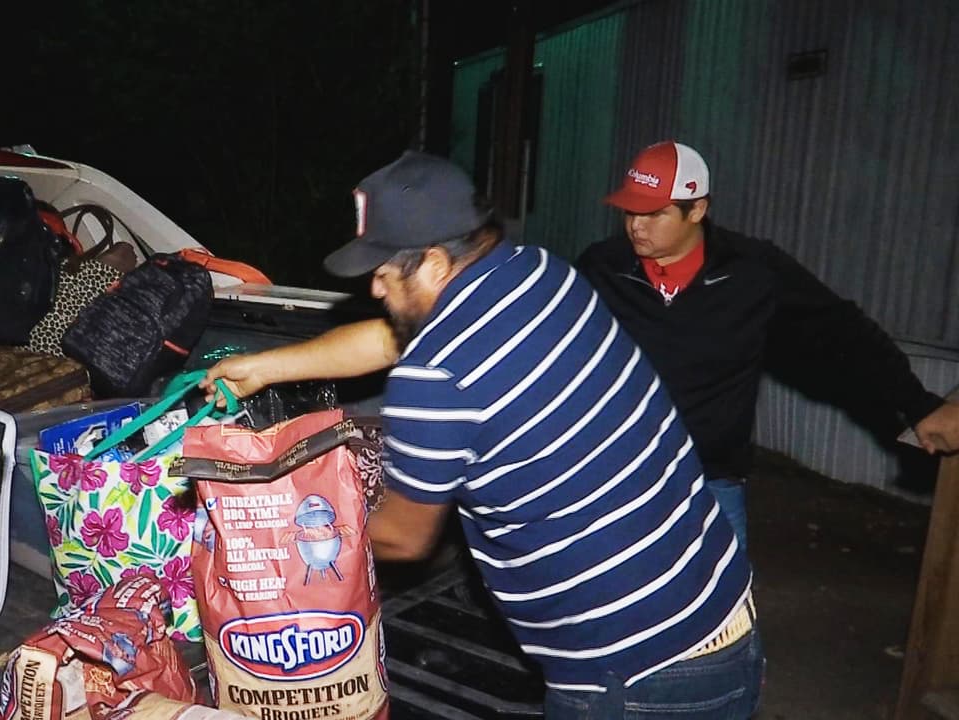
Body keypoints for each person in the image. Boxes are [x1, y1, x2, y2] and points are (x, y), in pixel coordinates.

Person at [203, 150, 763, 719]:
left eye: (383, 271)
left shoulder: (437, 373)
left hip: (631, 676)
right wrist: (266, 367)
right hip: (720, 611)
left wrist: (279, 536)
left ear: (433, 265)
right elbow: (394, 340)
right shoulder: (541, 273)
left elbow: (403, 535)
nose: (374, 288)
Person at [576, 140, 959, 549]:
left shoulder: (754, 272)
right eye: (631, 210)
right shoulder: (603, 266)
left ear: (697, 210)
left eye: (655, 213)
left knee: (726, 609)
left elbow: (846, 330)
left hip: (711, 483)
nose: (637, 225)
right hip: (617, 474)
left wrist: (920, 405)